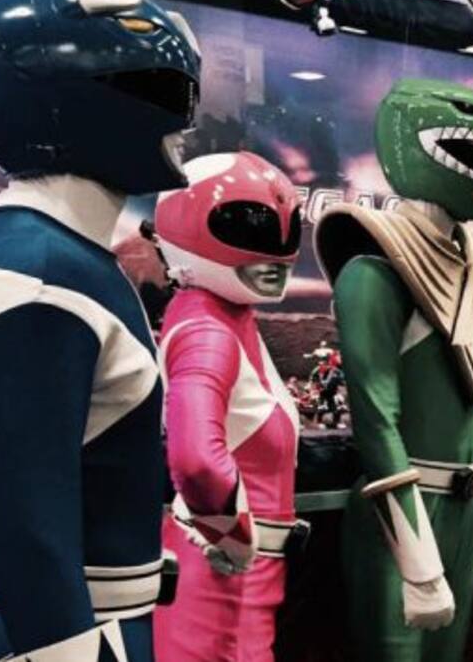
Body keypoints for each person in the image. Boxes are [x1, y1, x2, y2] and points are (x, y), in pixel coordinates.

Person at [0, 0, 200, 659]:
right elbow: (28, 538)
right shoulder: (40, 277)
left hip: (60, 623)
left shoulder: (13, 244)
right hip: (62, 632)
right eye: (164, 91)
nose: (186, 121)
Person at [313, 79, 473, 662]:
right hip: (400, 518)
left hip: (460, 514)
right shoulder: (373, 272)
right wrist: (417, 558)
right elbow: (376, 420)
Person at [151, 152, 307, 661]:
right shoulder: (208, 330)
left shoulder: (224, 317)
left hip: (239, 579)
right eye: (249, 226)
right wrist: (233, 538)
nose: (274, 253)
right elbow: (196, 460)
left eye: (286, 229)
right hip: (222, 587)